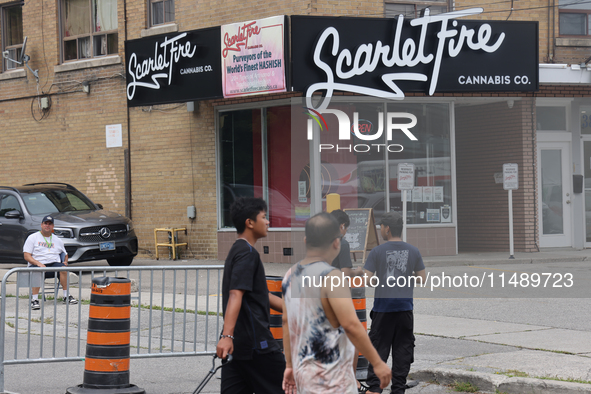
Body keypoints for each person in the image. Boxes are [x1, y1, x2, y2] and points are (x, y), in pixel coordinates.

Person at [281, 212, 391, 394]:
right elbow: (351, 325)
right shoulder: (332, 277)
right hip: (333, 380)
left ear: (305, 240)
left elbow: (286, 322)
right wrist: (378, 363)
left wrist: (289, 366)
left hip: (304, 376)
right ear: (336, 243)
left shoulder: (290, 274)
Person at [216, 197, 285, 394]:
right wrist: (226, 336)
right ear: (250, 222)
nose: (268, 222)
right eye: (264, 217)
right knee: (286, 388)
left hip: (239, 347)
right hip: (257, 345)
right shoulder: (247, 253)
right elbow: (235, 294)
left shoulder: (238, 250)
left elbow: (262, 295)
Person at [363, 212, 426, 394]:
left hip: (383, 310)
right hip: (405, 309)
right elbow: (422, 278)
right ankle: (398, 388)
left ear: (387, 229)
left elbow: (367, 279)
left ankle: (375, 389)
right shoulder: (413, 251)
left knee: (378, 349)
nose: (380, 230)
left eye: (381, 226)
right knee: (403, 350)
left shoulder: (377, 252)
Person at [329, 209, 366, 392]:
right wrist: (358, 271)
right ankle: (352, 382)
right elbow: (345, 272)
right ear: (342, 226)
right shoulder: (341, 243)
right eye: (346, 229)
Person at [23, 215, 78, 310]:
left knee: (63, 269)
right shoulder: (33, 237)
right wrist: (37, 263)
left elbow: (65, 253)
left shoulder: (57, 240)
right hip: (37, 265)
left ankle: (66, 296)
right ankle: (34, 300)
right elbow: (26, 255)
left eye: (50, 224)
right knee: (37, 271)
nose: (47, 226)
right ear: (41, 225)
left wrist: (65, 261)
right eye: (45, 223)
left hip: (53, 264)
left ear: (53, 226)